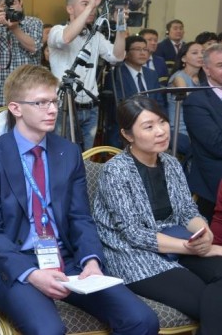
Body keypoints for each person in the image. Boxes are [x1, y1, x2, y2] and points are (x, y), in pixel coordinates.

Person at [0, 65, 158, 335]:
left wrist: (91, 261)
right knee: (49, 331)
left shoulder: (68, 152)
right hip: (13, 262)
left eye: (54, 101)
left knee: (142, 319)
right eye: (41, 103)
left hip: (65, 258)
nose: (52, 109)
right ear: (15, 108)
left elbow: (79, 216)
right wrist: (32, 274)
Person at [93, 96, 222, 335]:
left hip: (176, 243)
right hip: (132, 256)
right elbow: (134, 233)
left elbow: (187, 211)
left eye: (162, 122)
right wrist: (193, 248)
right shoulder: (115, 171)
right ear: (128, 135)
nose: (161, 131)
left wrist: (204, 234)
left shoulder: (171, 163)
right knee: (210, 301)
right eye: (148, 126)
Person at [48, 0, 126, 150]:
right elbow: (66, 38)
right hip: (64, 107)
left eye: (93, 6)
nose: (92, 8)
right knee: (63, 155)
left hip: (91, 108)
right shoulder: (57, 31)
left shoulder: (96, 36)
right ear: (70, 9)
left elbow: (117, 57)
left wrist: (121, 26)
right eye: (85, 3)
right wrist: (91, 5)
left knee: (86, 157)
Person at [104, 35, 166, 148]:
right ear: (126, 53)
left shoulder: (151, 74)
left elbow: (159, 103)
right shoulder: (116, 75)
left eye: (145, 49)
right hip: (127, 128)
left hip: (152, 126)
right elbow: (117, 108)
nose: (143, 53)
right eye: (137, 49)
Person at [0, 0, 43, 109]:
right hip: (2, 93)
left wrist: (14, 28)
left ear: (21, 2)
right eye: (4, 5)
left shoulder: (34, 22)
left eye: (13, 3)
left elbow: (34, 47)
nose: (9, 8)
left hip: (30, 91)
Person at [184, 43, 222, 220]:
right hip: (214, 176)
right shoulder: (196, 101)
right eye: (220, 65)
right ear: (207, 69)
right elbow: (217, 145)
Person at [167, 42, 204, 152]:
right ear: (183, 58)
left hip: (199, 128)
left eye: (203, 53)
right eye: (195, 53)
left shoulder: (203, 79)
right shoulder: (178, 78)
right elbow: (191, 102)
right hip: (181, 130)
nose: (201, 56)